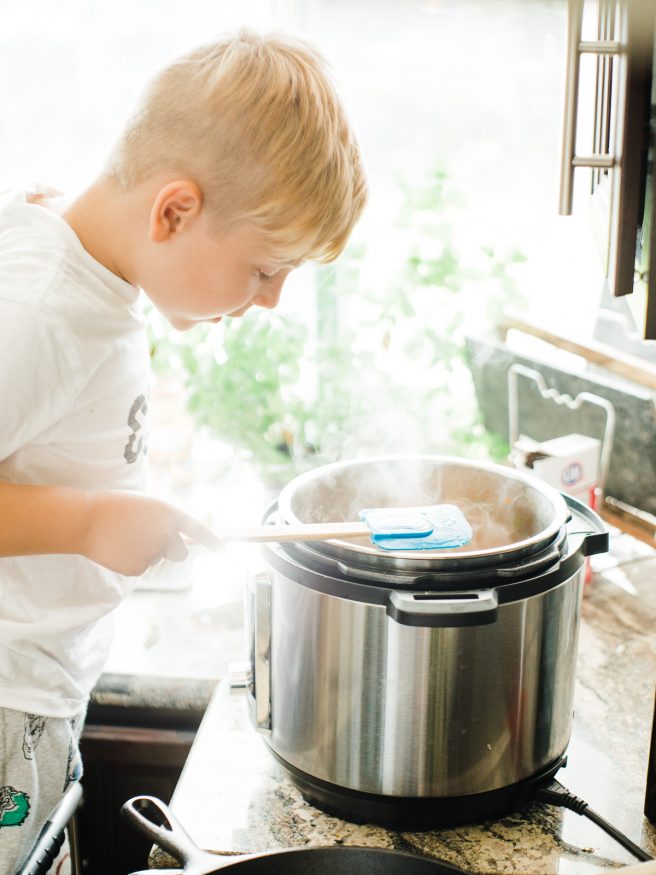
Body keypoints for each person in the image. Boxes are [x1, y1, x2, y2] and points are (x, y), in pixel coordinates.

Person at [0, 29, 366, 873]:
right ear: (174, 211)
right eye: (266, 268)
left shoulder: (89, 262)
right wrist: (89, 521)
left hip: (37, 694)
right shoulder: (44, 310)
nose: (271, 300)